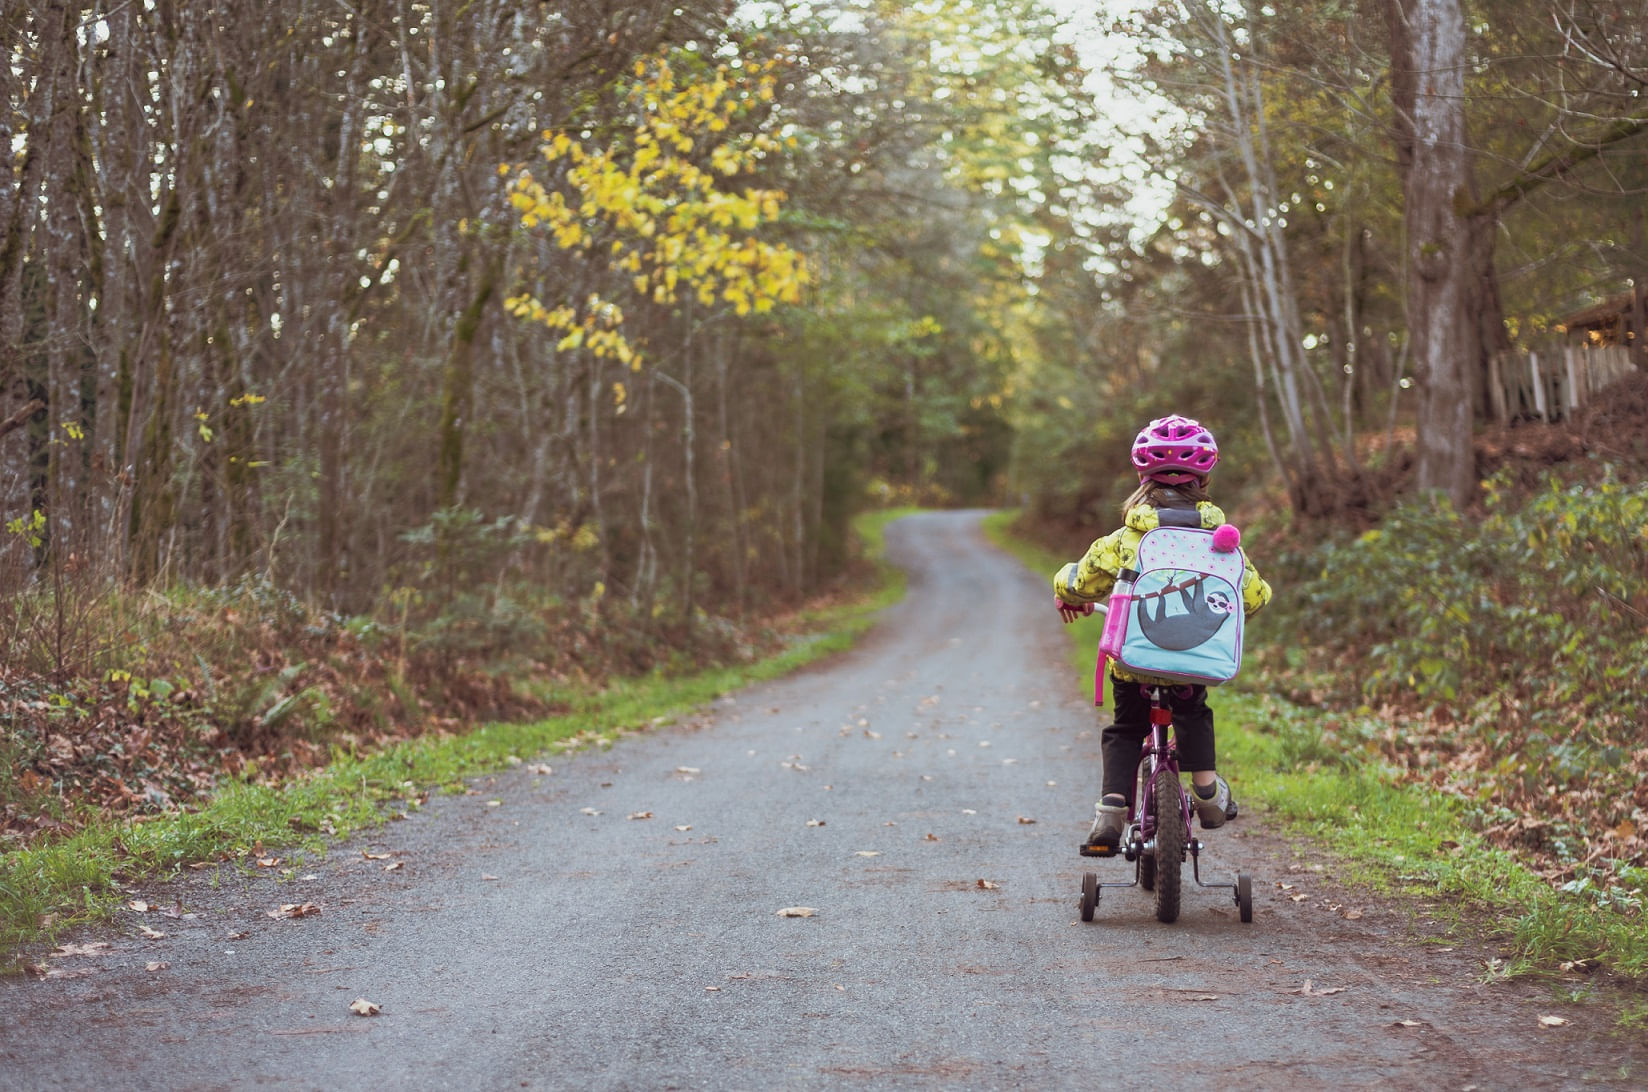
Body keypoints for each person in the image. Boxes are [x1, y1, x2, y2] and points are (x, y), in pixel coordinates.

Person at [1053, 415, 1272, 851]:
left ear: (1141, 476)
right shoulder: (1220, 541)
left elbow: (1081, 579)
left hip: (1134, 664)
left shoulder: (1126, 539)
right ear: (1204, 479)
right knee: (1194, 713)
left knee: (1124, 728)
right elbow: (1255, 596)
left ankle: (1112, 810)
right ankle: (1208, 792)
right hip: (1192, 665)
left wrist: (1065, 589)